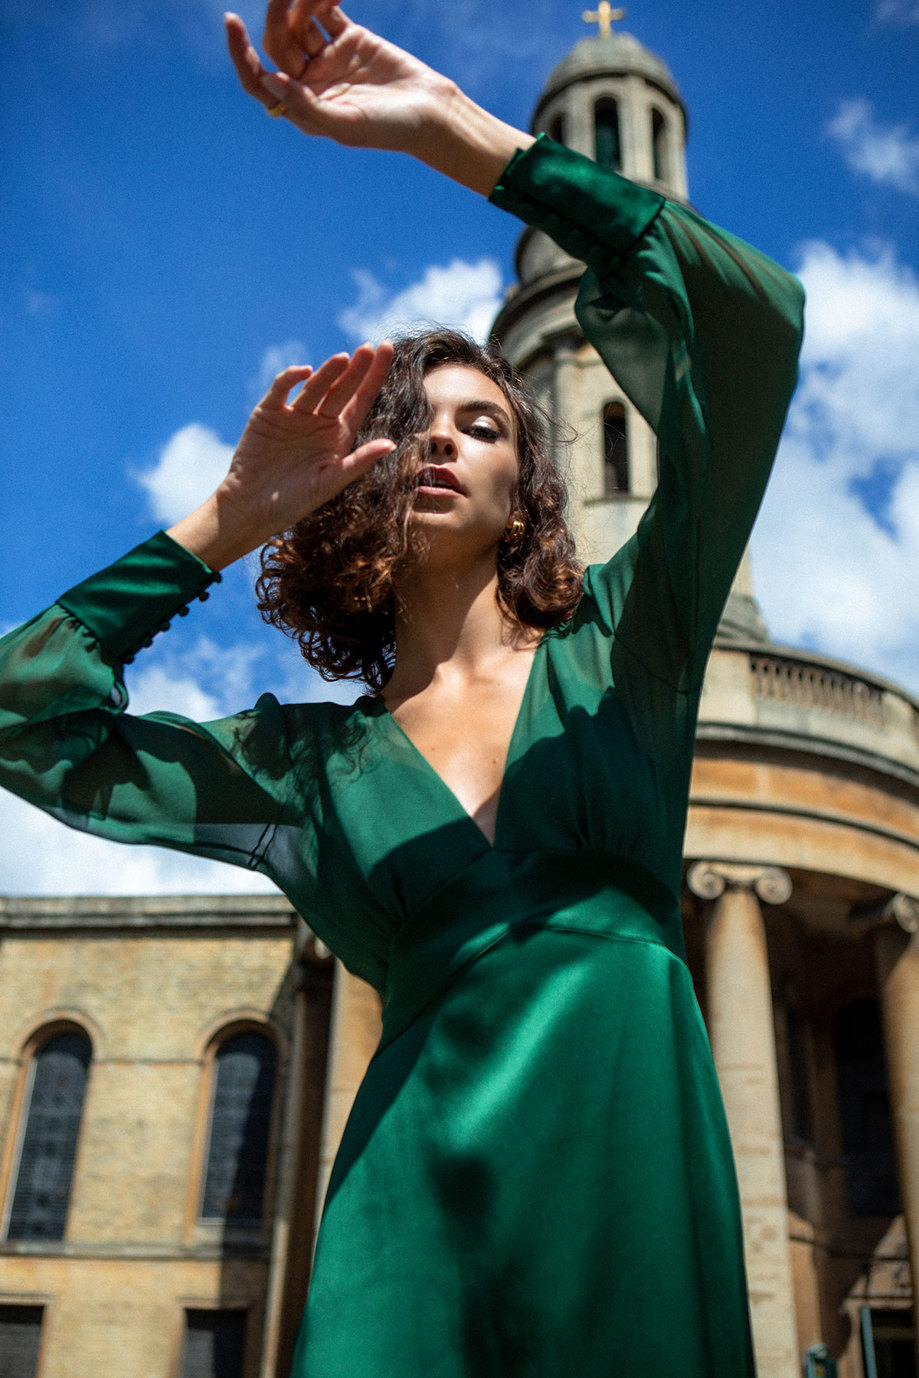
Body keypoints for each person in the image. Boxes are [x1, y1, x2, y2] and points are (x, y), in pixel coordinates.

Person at [0, 2, 805, 1374]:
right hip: (411, 1229)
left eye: (480, 424)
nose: (439, 442)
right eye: (407, 426)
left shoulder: (632, 652)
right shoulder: (309, 770)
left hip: (631, 1198)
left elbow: (750, 320)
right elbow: (31, 715)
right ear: (358, 482)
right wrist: (225, 519)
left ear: (523, 490)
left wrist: (458, 133)